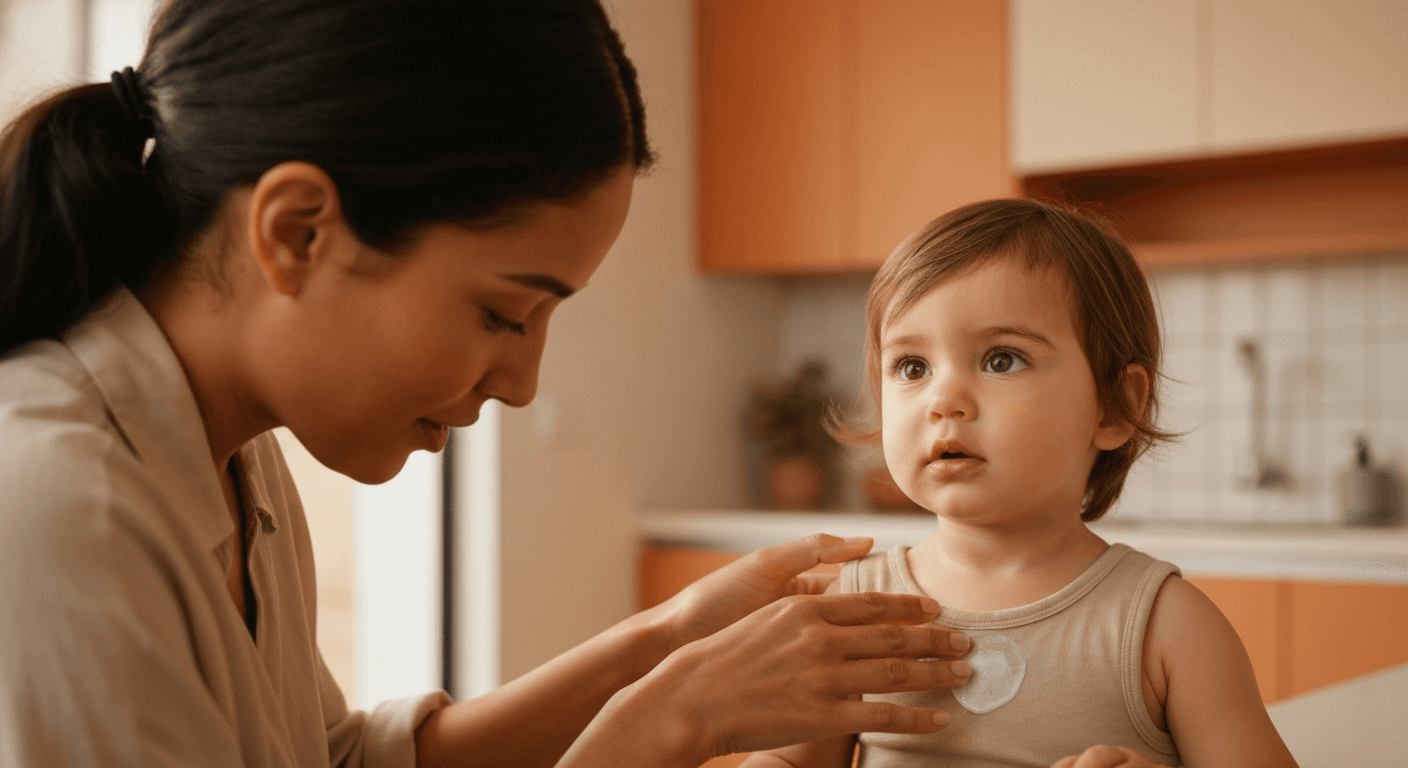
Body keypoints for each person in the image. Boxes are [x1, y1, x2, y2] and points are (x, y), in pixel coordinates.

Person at [0, 2, 979, 766]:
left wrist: (669, 643)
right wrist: (677, 719)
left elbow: (336, 763)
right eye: (506, 313)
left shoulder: (231, 464)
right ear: (298, 231)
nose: (521, 384)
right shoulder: (63, 504)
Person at [741, 199, 1300, 768]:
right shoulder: (856, 608)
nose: (944, 400)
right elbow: (788, 761)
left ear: (1113, 407)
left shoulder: (1169, 627)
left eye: (1002, 359)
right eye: (912, 367)